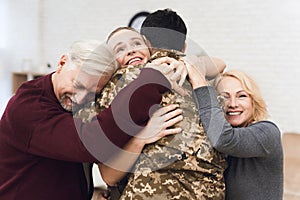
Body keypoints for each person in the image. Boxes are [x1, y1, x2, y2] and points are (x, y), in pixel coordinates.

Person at [0, 40, 185, 200]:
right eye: (78, 84)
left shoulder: (69, 103)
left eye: (91, 93)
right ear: (62, 63)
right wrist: (150, 81)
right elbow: (91, 142)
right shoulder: (27, 107)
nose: (79, 99)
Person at [94, 9, 227, 200]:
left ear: (147, 44)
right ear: (184, 46)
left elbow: (108, 172)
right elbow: (221, 64)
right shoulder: (209, 82)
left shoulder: (121, 82)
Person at [185, 67, 283, 200]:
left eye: (241, 96)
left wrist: (200, 84)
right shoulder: (211, 136)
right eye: (224, 97)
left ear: (254, 101)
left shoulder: (267, 132)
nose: (232, 104)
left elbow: (225, 140)